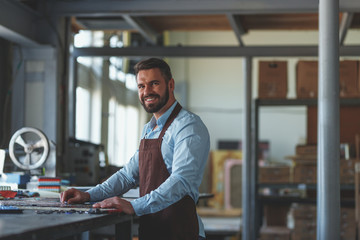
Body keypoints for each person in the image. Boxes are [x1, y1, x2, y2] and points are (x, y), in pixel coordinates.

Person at [60, 58, 210, 240]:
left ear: (170, 84)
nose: (147, 91)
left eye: (154, 84)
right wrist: (89, 195)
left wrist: (135, 206)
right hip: (152, 230)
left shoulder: (188, 126)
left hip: (181, 232)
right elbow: (128, 175)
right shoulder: (149, 129)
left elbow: (181, 181)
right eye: (141, 86)